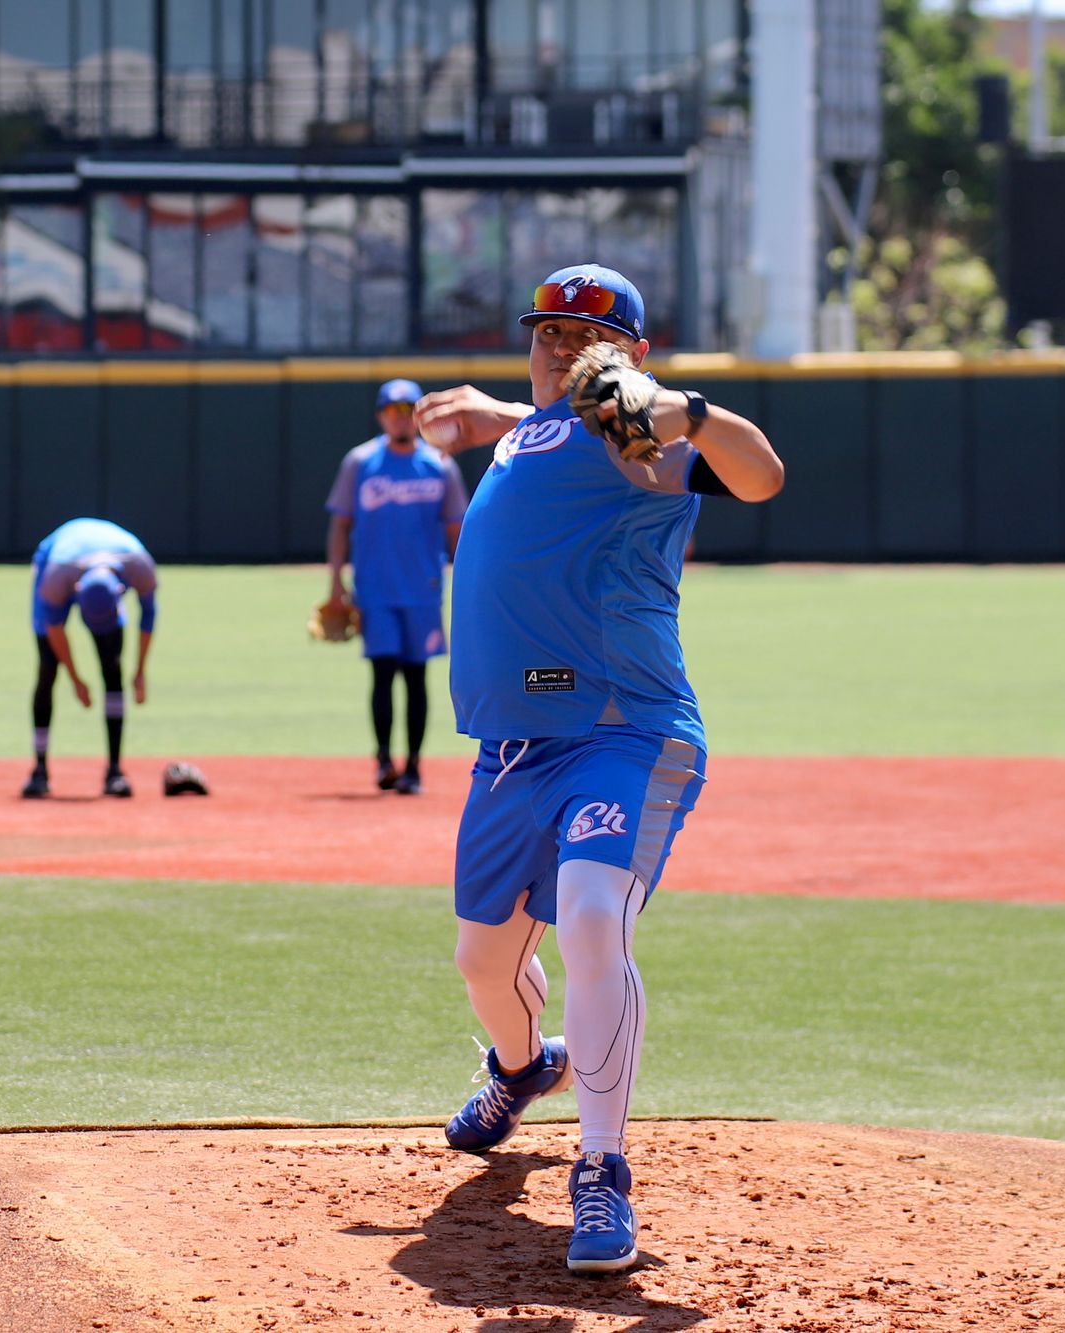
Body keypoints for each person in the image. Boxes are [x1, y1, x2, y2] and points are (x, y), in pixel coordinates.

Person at [413, 263, 785, 1274]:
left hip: (622, 732)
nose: (562, 349)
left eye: (587, 339)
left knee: (585, 914)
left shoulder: (640, 434)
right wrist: (504, 413)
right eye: (549, 332)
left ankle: (602, 1167)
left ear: (631, 354)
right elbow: (543, 426)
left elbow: (757, 475)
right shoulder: (532, 425)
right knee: (484, 965)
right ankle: (521, 1067)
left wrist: (688, 412)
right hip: (508, 755)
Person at [324, 377, 469, 795]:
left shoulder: (439, 464)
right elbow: (340, 524)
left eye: (408, 411)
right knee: (383, 673)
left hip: (422, 589)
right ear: (381, 415)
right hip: (375, 589)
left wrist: (468, 583)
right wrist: (336, 581)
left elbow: (456, 532)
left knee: (417, 676)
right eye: (393, 410)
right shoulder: (360, 463)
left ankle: (414, 767)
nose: (400, 418)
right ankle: (384, 758)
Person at [24, 517, 158, 799]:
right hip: (56, 559)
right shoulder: (55, 580)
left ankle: (115, 770)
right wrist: (76, 679)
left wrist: (140, 670)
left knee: (113, 669)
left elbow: (148, 618)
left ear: (120, 594)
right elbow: (54, 628)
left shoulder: (140, 566)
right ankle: (39, 769)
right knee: (48, 667)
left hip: (98, 564)